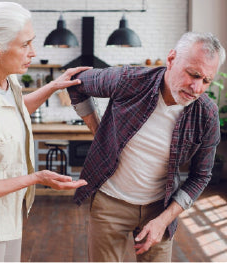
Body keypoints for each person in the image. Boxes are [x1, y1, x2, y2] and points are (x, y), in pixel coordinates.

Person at [67, 31, 226, 262]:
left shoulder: (207, 114)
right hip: (110, 203)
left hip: (160, 208)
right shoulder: (129, 80)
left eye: (206, 80)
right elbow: (77, 83)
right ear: (171, 59)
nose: (197, 87)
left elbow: (200, 176)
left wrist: (163, 221)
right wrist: (98, 130)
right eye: (193, 74)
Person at [0, 2, 90, 262]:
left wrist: (54, 86)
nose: (33, 52)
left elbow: (14, 110)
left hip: (9, 217)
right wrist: (36, 177)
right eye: (25, 45)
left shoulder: (7, 80)